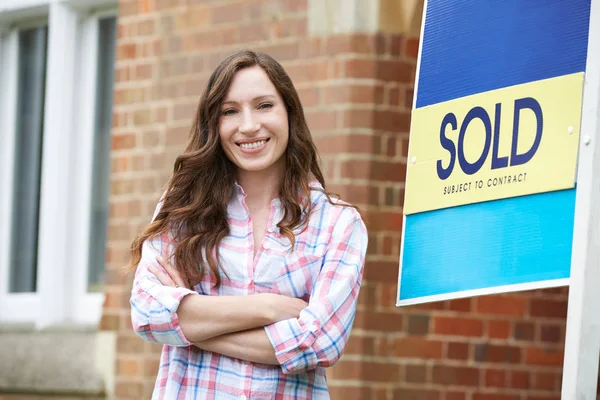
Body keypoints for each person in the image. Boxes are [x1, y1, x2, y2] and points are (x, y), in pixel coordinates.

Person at [128, 50, 368, 400]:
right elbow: (147, 312)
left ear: (289, 113)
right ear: (215, 124)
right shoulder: (182, 208)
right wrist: (268, 308)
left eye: (264, 105)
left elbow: (320, 342)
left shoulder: (338, 224)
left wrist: (190, 320)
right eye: (230, 111)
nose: (249, 125)